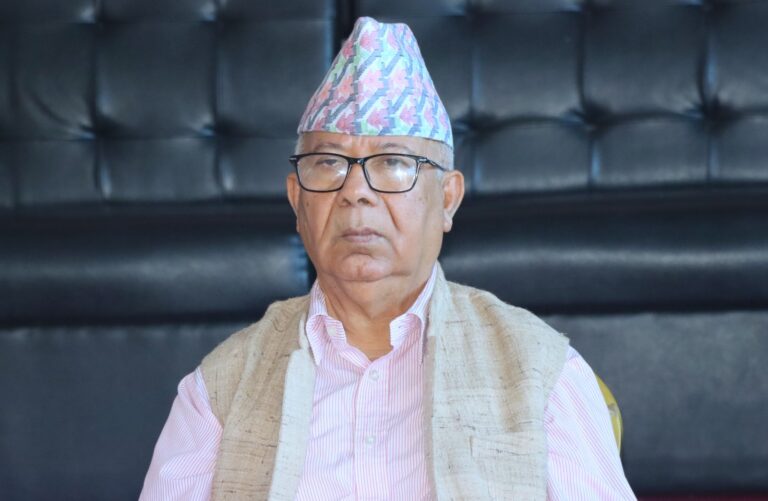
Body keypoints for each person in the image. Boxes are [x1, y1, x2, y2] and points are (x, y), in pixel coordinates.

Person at [139, 17, 636, 500]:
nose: (355, 191)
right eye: (328, 163)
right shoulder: (221, 389)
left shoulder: (540, 371)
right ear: (296, 199)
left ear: (447, 199)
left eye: (394, 163)